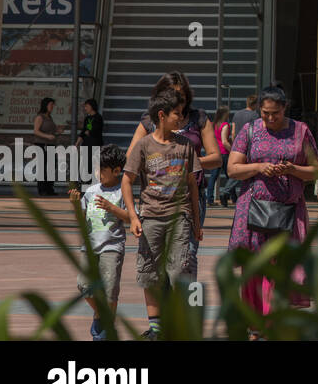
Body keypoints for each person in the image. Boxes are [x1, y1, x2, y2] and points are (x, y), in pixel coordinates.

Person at [225, 85, 318, 323]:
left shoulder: (300, 131)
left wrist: (292, 169)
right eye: (265, 113)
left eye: (274, 113)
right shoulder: (249, 130)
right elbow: (233, 169)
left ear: (284, 108)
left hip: (288, 211)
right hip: (254, 210)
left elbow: (316, 171)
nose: (269, 118)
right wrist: (258, 167)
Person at [123, 89, 202, 340]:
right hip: (151, 218)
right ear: (162, 115)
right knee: (150, 272)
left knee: (181, 270)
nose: (181, 119)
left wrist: (197, 223)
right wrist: (134, 217)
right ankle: (156, 328)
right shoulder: (144, 146)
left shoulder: (186, 146)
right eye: (176, 114)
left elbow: (192, 186)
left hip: (180, 218)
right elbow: (127, 181)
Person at [125, 71, 221, 275]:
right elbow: (131, 159)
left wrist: (185, 164)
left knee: (186, 257)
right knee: (157, 260)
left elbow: (216, 158)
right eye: (171, 95)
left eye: (182, 97)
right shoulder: (148, 121)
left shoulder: (198, 118)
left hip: (189, 197)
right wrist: (160, 165)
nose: (178, 101)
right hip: (156, 201)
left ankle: (183, 304)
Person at [70, 144, 128, 340]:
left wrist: (112, 208)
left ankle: (106, 330)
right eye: (96, 168)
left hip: (112, 247)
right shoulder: (91, 190)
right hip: (89, 247)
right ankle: (102, 315)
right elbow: (82, 219)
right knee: (83, 284)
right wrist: (75, 205)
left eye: (101, 169)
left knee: (110, 290)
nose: (97, 173)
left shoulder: (123, 191)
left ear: (116, 171)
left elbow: (131, 217)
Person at [31, 97, 62, 195]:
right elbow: (36, 131)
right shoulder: (40, 117)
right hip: (42, 144)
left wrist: (57, 131)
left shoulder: (49, 117)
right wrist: (47, 136)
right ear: (45, 105)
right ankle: (42, 189)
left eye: (53, 105)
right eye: (50, 105)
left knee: (52, 166)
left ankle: (49, 188)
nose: (52, 107)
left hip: (50, 144)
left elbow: (50, 130)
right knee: (43, 166)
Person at [216, 110, 237, 206]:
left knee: (214, 176)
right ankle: (228, 194)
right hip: (224, 152)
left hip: (217, 151)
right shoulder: (225, 125)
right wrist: (232, 151)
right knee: (232, 175)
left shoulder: (215, 125)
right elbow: (224, 141)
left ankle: (233, 197)